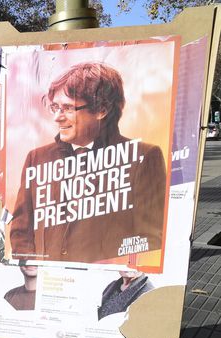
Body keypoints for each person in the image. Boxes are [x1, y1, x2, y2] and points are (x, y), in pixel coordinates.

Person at [9, 62, 166, 264]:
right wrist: (33, 273)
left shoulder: (143, 157)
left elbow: (150, 238)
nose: (57, 117)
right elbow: (21, 229)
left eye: (67, 108)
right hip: (48, 284)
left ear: (101, 109)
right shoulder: (37, 158)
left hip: (105, 287)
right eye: (55, 107)